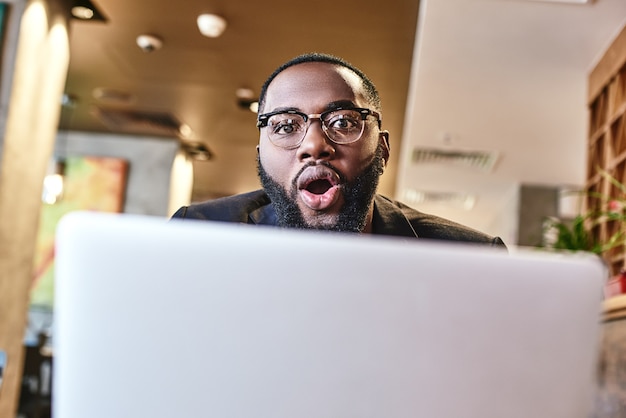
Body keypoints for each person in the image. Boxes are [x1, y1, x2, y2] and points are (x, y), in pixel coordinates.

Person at [172, 52, 505, 247]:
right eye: (287, 126)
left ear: (383, 149)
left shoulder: (467, 254)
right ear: (259, 154)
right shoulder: (200, 233)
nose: (315, 145)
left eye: (343, 122)